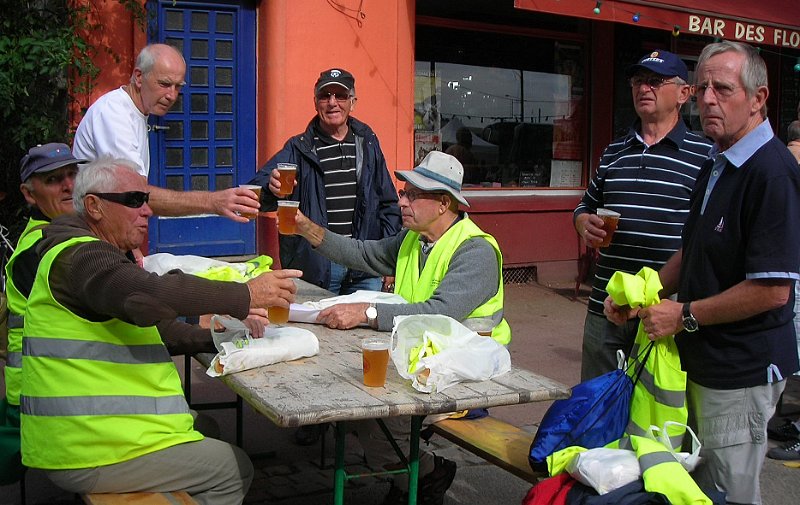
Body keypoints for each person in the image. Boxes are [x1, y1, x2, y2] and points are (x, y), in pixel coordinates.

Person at [19, 157, 302, 503]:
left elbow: (158, 328)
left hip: (96, 431)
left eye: (147, 200)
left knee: (207, 428)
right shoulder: (80, 257)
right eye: (135, 201)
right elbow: (148, 294)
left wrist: (223, 336)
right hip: (86, 445)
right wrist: (245, 294)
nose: (147, 212)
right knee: (233, 469)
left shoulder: (88, 251)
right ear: (94, 206)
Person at [619, 41, 800, 503]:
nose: (709, 100)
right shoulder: (719, 161)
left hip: (741, 370)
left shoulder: (773, 173)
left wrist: (683, 316)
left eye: (723, 89)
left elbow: (772, 291)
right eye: (702, 89)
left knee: (729, 491)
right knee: (692, 487)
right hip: (701, 362)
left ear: (758, 98)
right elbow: (692, 250)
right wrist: (644, 293)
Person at [290, 150, 510, 505]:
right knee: (360, 399)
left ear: (442, 203)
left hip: (471, 370)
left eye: (411, 194)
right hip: (425, 360)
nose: (401, 200)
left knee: (373, 411)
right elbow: (363, 253)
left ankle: (420, 475)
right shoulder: (414, 239)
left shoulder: (475, 250)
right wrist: (309, 230)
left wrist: (367, 313)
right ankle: (418, 476)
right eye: (404, 191)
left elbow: (442, 312)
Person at [573, 49, 712, 381]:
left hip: (662, 310)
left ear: (683, 93)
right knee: (595, 412)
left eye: (654, 81)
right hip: (606, 304)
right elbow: (584, 206)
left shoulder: (705, 156)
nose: (643, 88)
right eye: (638, 81)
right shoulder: (614, 151)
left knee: (657, 417)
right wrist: (583, 224)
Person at [249, 67, 401, 296]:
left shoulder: (367, 143)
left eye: (340, 95)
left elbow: (388, 204)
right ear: (315, 102)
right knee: (317, 329)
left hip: (364, 265)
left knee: (367, 328)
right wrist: (271, 188)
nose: (332, 102)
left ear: (353, 102)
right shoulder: (299, 147)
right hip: (317, 263)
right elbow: (256, 193)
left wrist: (388, 257)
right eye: (325, 95)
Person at [73, 43, 259, 222]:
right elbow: (134, 194)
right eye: (164, 84)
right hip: (89, 232)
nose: (172, 95)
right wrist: (212, 202)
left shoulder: (136, 112)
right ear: (138, 77)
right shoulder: (113, 113)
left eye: (178, 87)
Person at [3, 143, 85, 427]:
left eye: (72, 174)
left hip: (54, 384)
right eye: (53, 179)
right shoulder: (38, 249)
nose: (68, 186)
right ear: (28, 193)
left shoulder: (62, 232)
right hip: (36, 396)